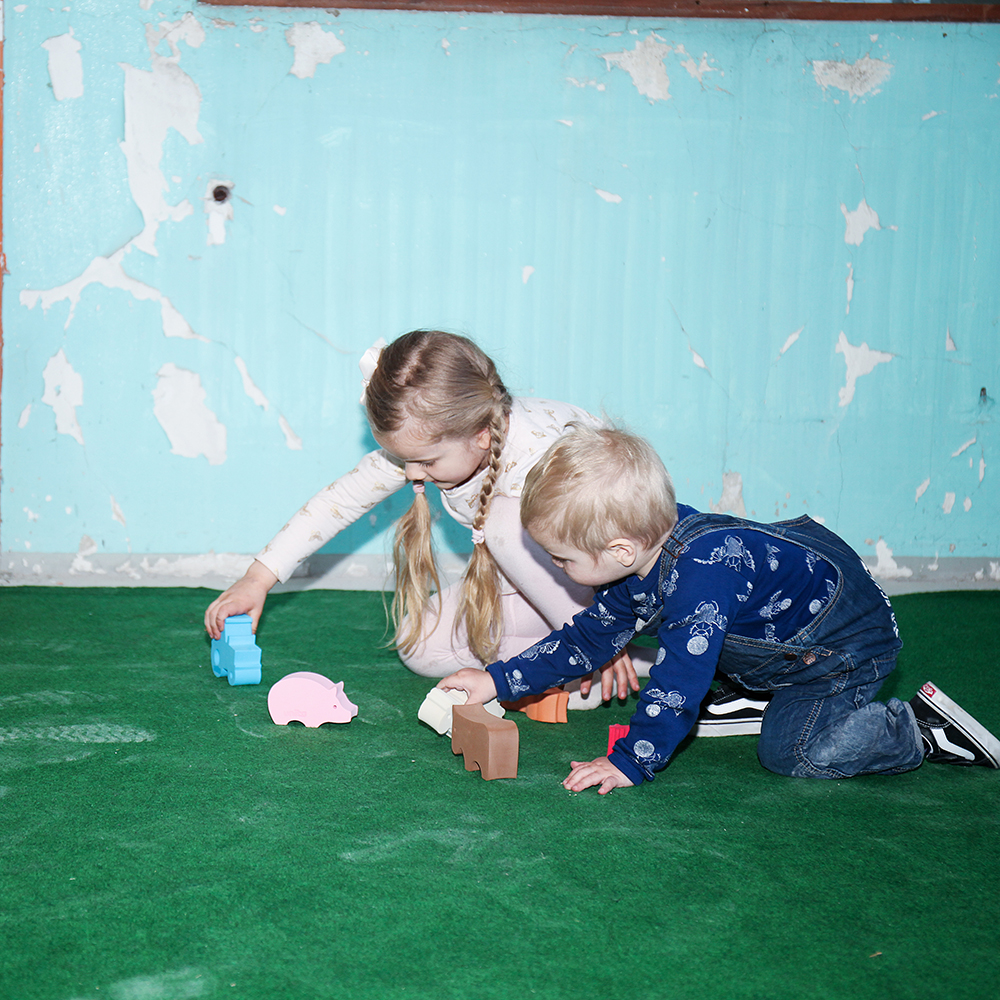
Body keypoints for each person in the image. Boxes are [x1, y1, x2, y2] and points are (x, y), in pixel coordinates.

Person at [438, 424, 1000, 793]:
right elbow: (588, 640)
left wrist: (632, 760)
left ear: (620, 550)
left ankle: (918, 730)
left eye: (562, 558)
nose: (556, 568)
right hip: (787, 625)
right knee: (700, 635)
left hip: (840, 648)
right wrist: (497, 680)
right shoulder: (644, 547)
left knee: (792, 752)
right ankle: (753, 690)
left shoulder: (699, 580)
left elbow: (678, 681)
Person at [205, 330, 657, 708]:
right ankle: (600, 662)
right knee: (420, 645)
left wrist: (603, 635)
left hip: (619, 589)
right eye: (405, 460)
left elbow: (614, 545)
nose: (412, 474)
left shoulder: (540, 450)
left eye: (425, 462)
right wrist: (257, 579)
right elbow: (339, 501)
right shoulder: (436, 444)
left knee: (504, 523)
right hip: (545, 588)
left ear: (482, 436)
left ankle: (596, 654)